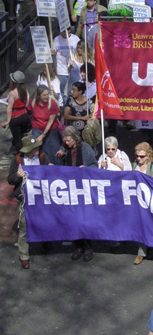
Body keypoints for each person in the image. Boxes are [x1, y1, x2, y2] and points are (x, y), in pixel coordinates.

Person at [8, 134, 50, 269]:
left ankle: (45, 241)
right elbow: (10, 179)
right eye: (34, 148)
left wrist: (51, 168)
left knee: (43, 222)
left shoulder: (42, 157)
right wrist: (17, 175)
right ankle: (24, 256)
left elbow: (49, 171)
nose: (37, 149)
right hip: (25, 198)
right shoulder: (18, 160)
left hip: (40, 197)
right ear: (27, 150)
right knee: (24, 227)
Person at [56, 126, 97, 260]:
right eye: (65, 141)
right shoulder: (64, 150)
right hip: (70, 188)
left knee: (84, 218)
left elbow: (94, 166)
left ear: (74, 138)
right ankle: (78, 246)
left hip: (83, 188)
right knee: (72, 218)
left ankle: (88, 247)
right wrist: (60, 156)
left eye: (68, 140)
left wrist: (85, 168)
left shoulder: (85, 148)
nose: (66, 143)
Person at [132, 142, 153, 267]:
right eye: (137, 156)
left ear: (148, 156)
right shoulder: (134, 164)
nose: (139, 159)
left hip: (150, 201)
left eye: (142, 156)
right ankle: (141, 252)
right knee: (139, 226)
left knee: (151, 226)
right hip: (137, 200)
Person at [27, 85, 60, 163]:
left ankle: (53, 166)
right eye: (44, 95)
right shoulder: (33, 102)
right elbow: (28, 111)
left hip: (51, 131)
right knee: (35, 149)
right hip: (37, 129)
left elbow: (51, 121)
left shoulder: (52, 103)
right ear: (39, 95)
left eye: (47, 94)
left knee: (52, 150)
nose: (46, 97)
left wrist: (43, 135)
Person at [2, 71, 31, 152]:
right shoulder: (25, 90)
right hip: (25, 117)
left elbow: (9, 108)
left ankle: (22, 156)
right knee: (22, 137)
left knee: (18, 140)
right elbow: (27, 103)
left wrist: (8, 121)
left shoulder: (12, 93)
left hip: (16, 119)